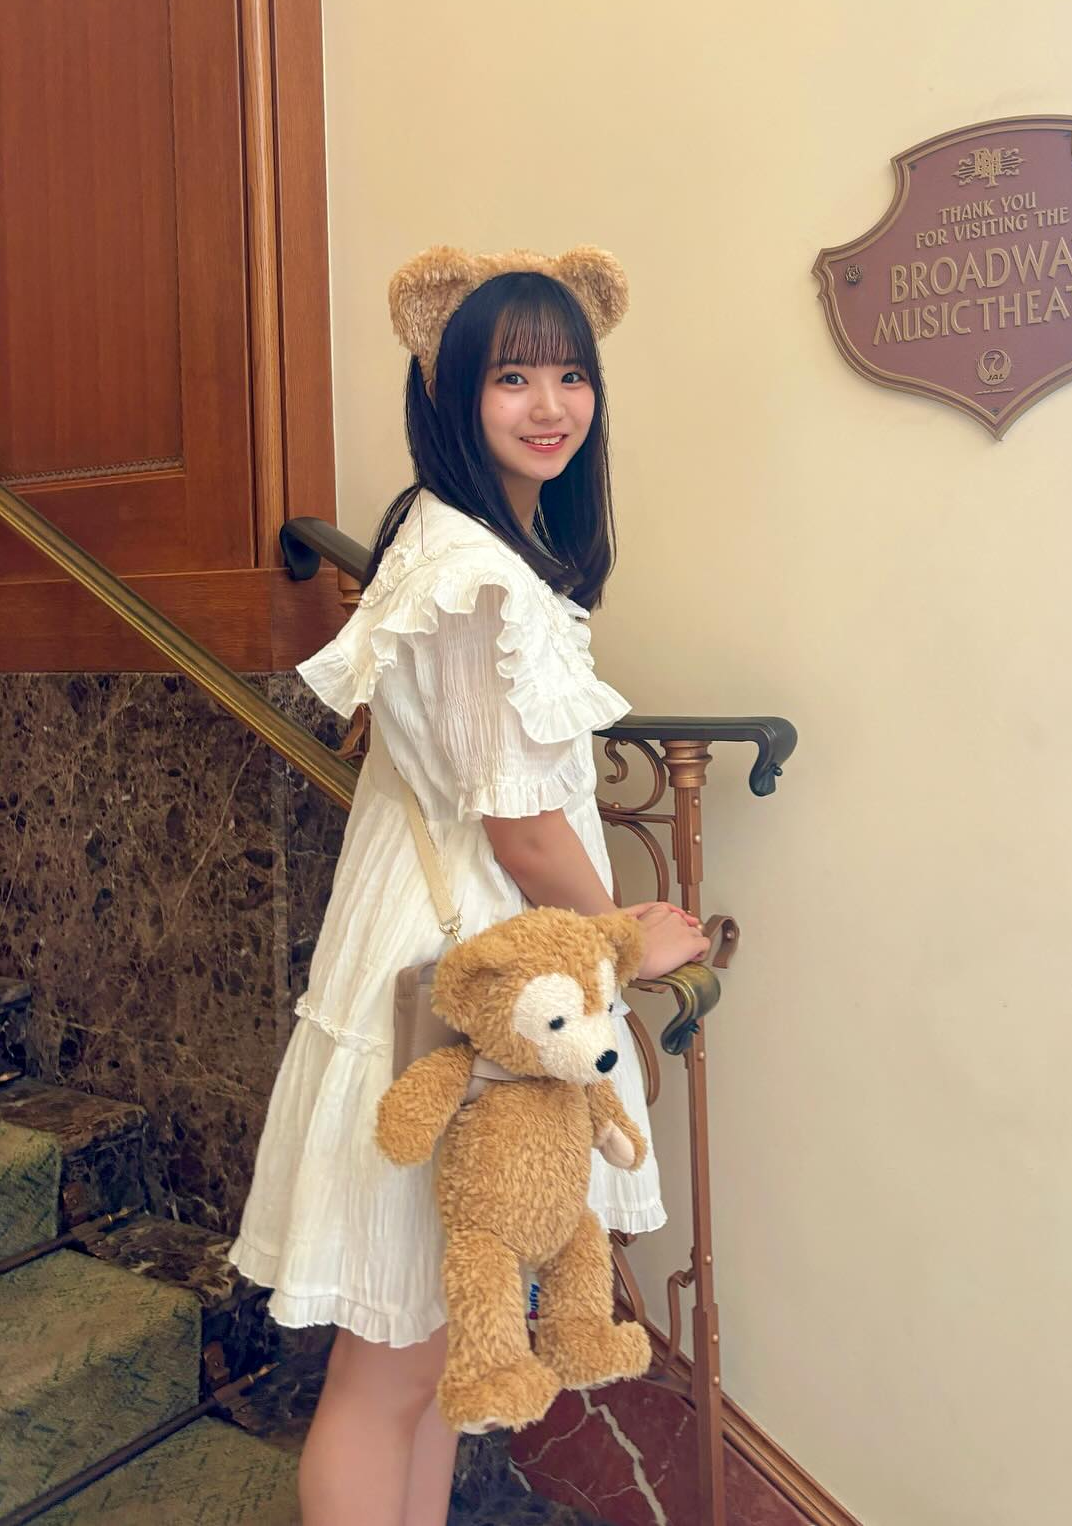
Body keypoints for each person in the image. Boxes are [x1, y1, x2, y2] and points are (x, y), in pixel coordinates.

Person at [228, 246, 710, 1526]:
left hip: (463, 960)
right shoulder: (475, 574)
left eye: (570, 374)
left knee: (440, 1349)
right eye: (511, 377)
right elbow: (523, 829)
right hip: (474, 976)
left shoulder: (464, 545)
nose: (550, 404)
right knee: (389, 1369)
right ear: (450, 392)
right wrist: (626, 941)